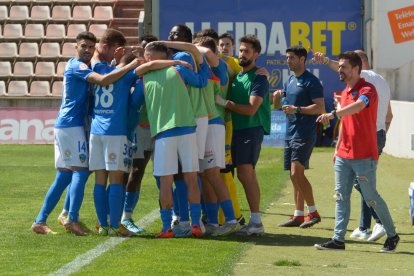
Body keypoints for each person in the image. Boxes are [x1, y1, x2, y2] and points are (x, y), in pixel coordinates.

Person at [31, 31, 138, 235]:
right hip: (72, 125)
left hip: (67, 125)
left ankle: (40, 220)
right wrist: (129, 66)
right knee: (81, 170)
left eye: (90, 47)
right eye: (84, 46)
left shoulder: (84, 64)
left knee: (64, 175)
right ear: (76, 47)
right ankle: (72, 218)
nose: (87, 50)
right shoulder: (78, 66)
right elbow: (103, 80)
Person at [314, 51, 399, 252]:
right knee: (340, 196)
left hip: (365, 154)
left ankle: (392, 235)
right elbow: (346, 122)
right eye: (340, 66)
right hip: (344, 153)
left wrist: (334, 113)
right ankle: (338, 239)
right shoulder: (344, 91)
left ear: (356, 69)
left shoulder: (368, 89)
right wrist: (337, 148)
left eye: (343, 67)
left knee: (371, 197)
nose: (340, 70)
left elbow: (358, 107)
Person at [132, 41, 209, 238]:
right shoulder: (179, 71)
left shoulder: (143, 78)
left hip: (163, 133)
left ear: (148, 57)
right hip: (186, 129)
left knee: (165, 183)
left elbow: (134, 104)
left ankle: (167, 228)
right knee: (191, 179)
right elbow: (202, 81)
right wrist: (203, 63)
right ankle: (196, 225)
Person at [215, 35, 271, 236]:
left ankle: (256, 221)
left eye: (247, 51)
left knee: (246, 173)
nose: (242, 54)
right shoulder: (238, 76)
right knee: (242, 175)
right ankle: (252, 221)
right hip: (236, 130)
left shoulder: (260, 76)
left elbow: (250, 109)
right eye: (241, 50)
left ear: (256, 54)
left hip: (251, 128)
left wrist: (226, 103)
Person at [272, 46, 324, 228]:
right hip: (290, 132)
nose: (288, 61)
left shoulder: (312, 81)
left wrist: (298, 109)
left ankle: (314, 212)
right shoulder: (290, 80)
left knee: (297, 172)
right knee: (294, 176)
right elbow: (280, 107)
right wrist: (277, 98)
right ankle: (298, 215)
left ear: (302, 59)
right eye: (287, 57)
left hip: (304, 132)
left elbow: (320, 108)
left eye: (292, 57)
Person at [121, 35, 159, 235]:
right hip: (137, 127)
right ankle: (124, 217)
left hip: (156, 126)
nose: (146, 57)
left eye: (149, 53)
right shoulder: (133, 71)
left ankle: (126, 216)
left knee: (140, 171)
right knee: (132, 171)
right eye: (144, 51)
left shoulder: (157, 70)